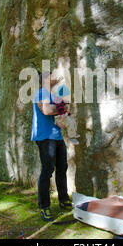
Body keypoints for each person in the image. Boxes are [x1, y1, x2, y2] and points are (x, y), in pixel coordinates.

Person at [31, 71, 73, 222]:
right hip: (44, 136)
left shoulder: (54, 95)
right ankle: (44, 207)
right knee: (47, 171)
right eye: (52, 75)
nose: (56, 77)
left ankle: (64, 200)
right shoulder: (41, 93)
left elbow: (63, 113)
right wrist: (63, 108)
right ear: (46, 80)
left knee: (62, 168)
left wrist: (64, 111)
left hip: (57, 136)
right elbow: (48, 110)